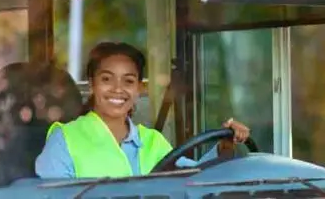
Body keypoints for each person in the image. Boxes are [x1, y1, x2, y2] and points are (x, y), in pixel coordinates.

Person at [34, 41, 251, 179]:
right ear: (92, 84)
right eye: (107, 79)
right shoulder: (65, 139)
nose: (118, 89)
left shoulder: (153, 142)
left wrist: (224, 146)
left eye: (128, 81)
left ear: (139, 88)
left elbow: (196, 180)